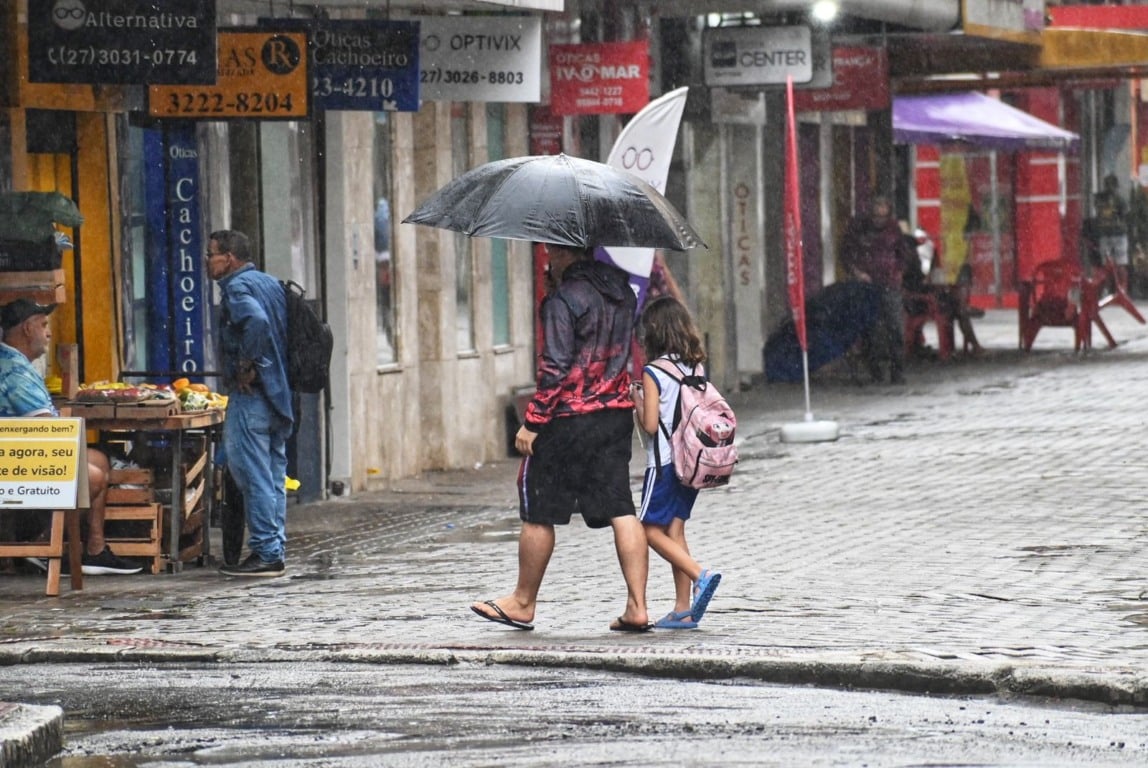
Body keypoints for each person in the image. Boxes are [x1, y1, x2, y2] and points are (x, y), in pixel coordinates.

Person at [471, 243, 650, 632]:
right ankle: (637, 606)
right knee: (621, 508)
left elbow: (555, 366)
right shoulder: (623, 291)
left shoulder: (564, 300)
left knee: (540, 511)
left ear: (564, 252)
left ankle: (523, 602)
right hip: (614, 415)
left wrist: (533, 421)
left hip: (568, 419)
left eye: (552, 250)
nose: (548, 256)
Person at [0, 298, 141, 575]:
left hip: (19, 455)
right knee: (93, 476)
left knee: (99, 459)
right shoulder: (14, 371)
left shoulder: (16, 363)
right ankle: (41, 546)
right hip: (14, 465)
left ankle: (95, 548)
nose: (49, 333)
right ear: (27, 329)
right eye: (44, 325)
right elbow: (48, 431)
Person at [206, 230, 293, 577]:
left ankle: (266, 551)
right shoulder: (269, 283)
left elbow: (256, 321)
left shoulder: (237, 288)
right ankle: (274, 548)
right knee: (273, 474)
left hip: (252, 396)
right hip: (278, 394)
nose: (207, 261)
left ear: (228, 258)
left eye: (211, 254)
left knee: (252, 474)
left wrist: (245, 363)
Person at [631, 296, 722, 630]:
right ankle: (683, 609)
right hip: (692, 461)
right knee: (675, 530)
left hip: (664, 464)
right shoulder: (695, 367)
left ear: (654, 331)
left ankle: (700, 575)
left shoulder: (653, 371)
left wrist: (637, 399)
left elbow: (650, 425)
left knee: (648, 530)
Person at [841, 196, 915, 385]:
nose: (879, 220)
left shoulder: (893, 229)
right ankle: (876, 371)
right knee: (871, 329)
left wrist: (899, 272)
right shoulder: (859, 228)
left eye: (883, 216)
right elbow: (846, 253)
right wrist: (857, 272)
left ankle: (897, 371)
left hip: (890, 284)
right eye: (876, 215)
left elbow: (903, 254)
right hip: (867, 285)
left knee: (895, 328)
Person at [1093, 173, 1130, 289]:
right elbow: (1125, 214)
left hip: (1106, 234)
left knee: (1107, 265)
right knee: (1120, 264)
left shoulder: (1099, 199)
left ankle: (1109, 288)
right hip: (1118, 234)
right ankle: (1121, 289)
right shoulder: (1120, 199)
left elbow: (1097, 211)